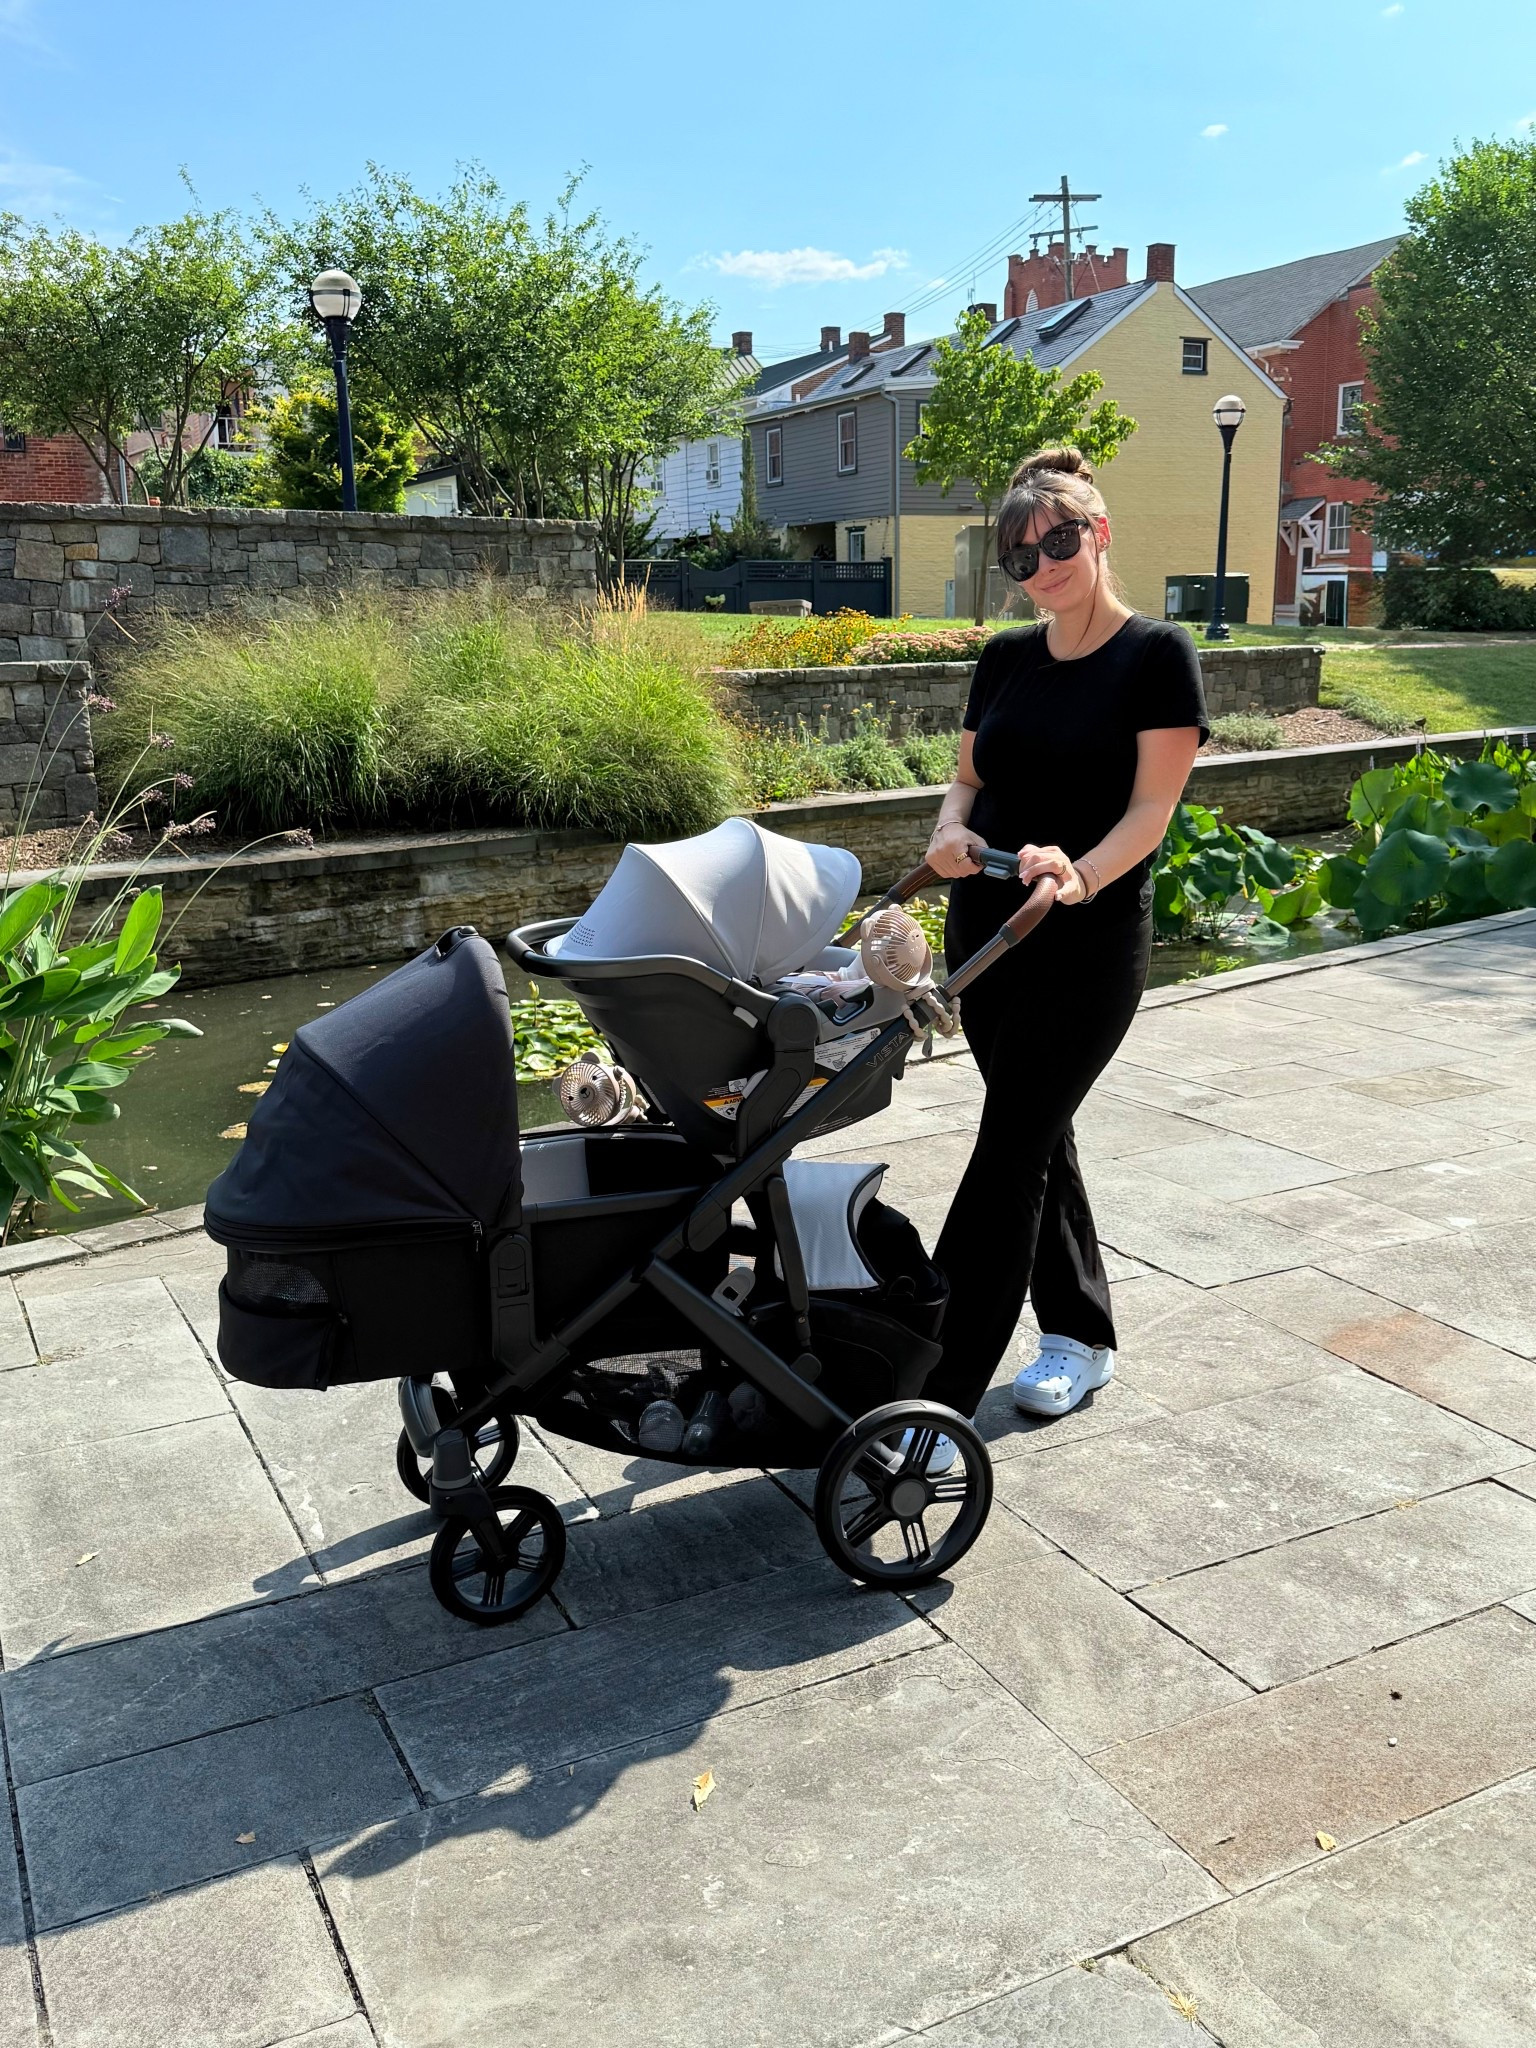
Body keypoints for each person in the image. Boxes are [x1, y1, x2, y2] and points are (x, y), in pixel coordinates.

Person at [922, 447, 1207, 1426]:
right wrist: (950, 832)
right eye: (1019, 555)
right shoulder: (1004, 657)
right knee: (1037, 1131)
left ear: (1099, 532)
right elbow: (967, 777)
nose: (1041, 566)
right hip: (986, 935)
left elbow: (1151, 810)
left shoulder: (1156, 657)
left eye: (1058, 541)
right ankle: (1082, 1334)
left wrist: (1079, 872)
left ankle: (928, 1385)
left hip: (1083, 942)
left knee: (1008, 1152)